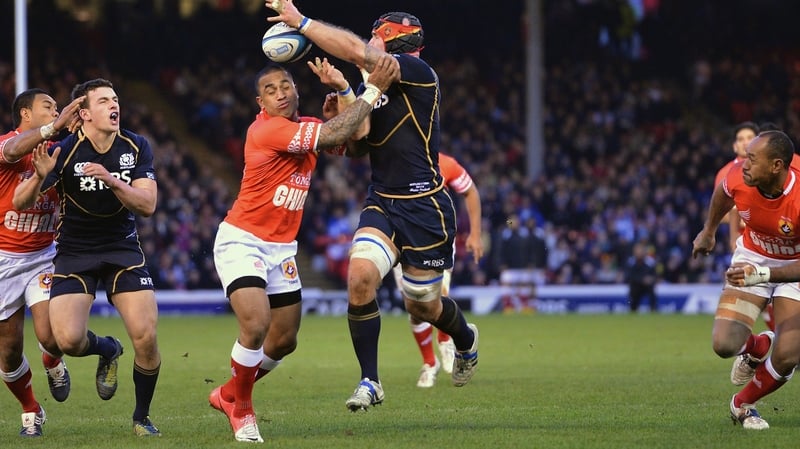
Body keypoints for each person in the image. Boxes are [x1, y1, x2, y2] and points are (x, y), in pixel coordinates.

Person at [267, 0, 481, 412]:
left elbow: (354, 52)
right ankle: (370, 380)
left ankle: (466, 337)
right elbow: (359, 144)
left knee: (422, 305)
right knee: (360, 277)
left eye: (375, 35)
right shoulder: (378, 82)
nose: (369, 41)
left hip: (425, 206)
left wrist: (302, 22)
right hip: (383, 202)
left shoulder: (418, 73)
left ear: (391, 41)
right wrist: (343, 99)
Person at [207, 57, 398, 443]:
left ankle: (228, 392)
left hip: (281, 249)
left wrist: (343, 93)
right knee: (257, 324)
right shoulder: (266, 131)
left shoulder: (307, 127)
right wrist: (371, 89)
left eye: (286, 85)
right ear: (260, 102)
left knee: (285, 340)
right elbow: (333, 135)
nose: (280, 93)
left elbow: (355, 139)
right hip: (241, 240)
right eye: (270, 90)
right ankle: (241, 408)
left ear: (296, 89)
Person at [12, 79, 162, 437]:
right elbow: (20, 201)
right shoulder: (63, 150)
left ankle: (141, 418)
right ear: (85, 113)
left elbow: (148, 205)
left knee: (146, 336)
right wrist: (40, 178)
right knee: (68, 341)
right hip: (75, 251)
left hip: (122, 249)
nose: (115, 106)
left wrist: (113, 180)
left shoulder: (136, 146)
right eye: (104, 101)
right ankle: (108, 349)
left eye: (116, 99)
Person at [693, 130, 800, 429]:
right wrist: (709, 231)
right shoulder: (739, 175)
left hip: (795, 267)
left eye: (752, 159)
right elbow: (722, 194)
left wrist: (764, 275)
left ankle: (742, 404)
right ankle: (759, 346)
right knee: (724, 344)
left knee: (789, 354)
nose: (744, 164)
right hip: (753, 256)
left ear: (777, 166)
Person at [0, 89, 82, 437]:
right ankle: (31, 408)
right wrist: (55, 127)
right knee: (8, 352)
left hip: (42, 257)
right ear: (25, 114)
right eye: (48, 107)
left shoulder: (59, 151)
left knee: (52, 337)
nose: (56, 111)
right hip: (4, 260)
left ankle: (52, 360)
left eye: (57, 108)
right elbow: (14, 151)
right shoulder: (7, 144)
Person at [391, 152, 483, 388]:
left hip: (435, 239)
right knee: (414, 306)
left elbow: (470, 191)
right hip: (401, 238)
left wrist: (475, 234)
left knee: (436, 295)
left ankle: (445, 339)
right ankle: (430, 363)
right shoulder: (395, 157)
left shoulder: (446, 164)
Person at [624, 242, 658, 312]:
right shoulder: (631, 261)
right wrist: (642, 279)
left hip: (647, 286)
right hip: (636, 286)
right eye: (637, 250)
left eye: (641, 250)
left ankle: (653, 310)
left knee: (652, 291)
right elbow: (629, 276)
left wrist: (651, 279)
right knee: (633, 293)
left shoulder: (650, 261)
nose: (639, 252)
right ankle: (633, 310)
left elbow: (655, 275)